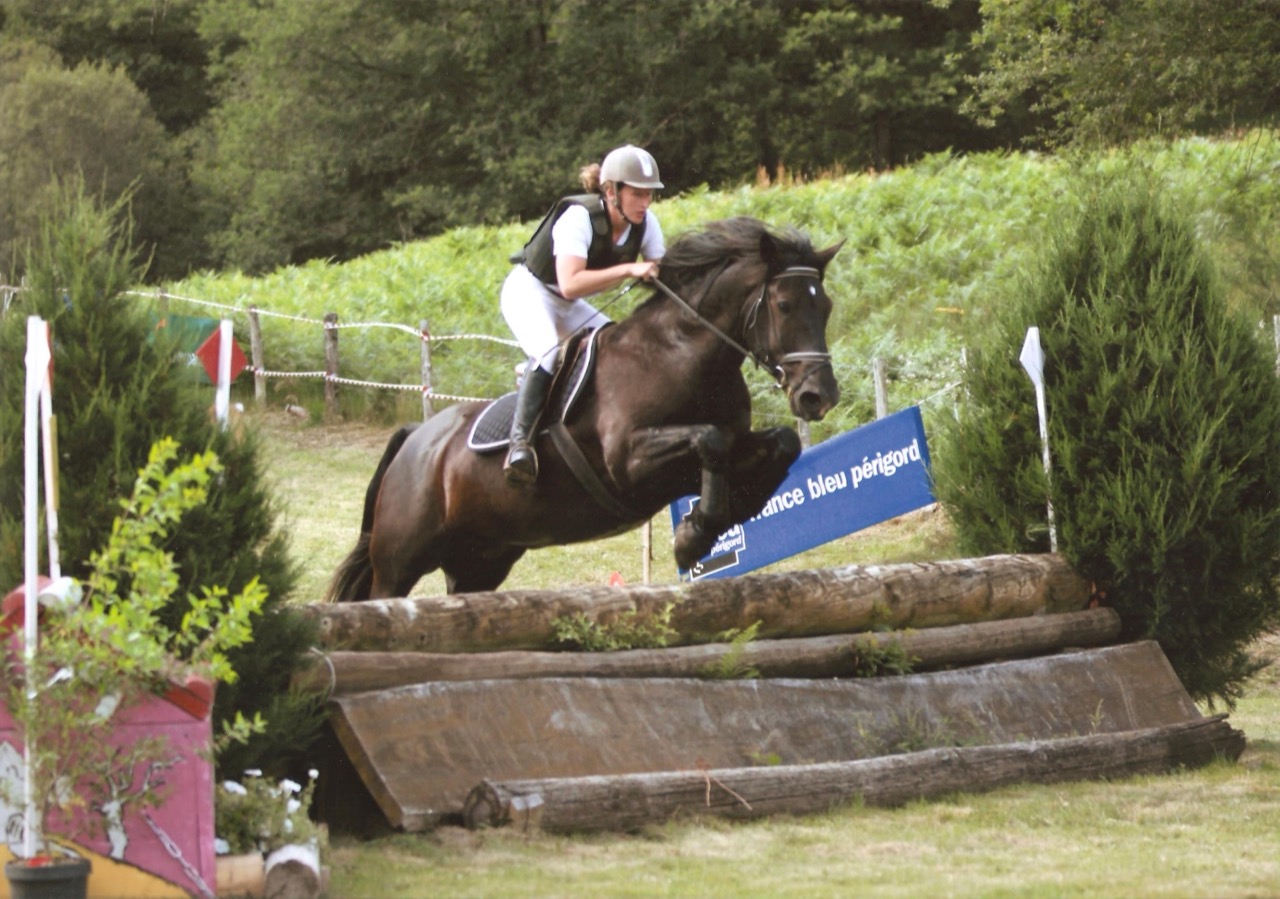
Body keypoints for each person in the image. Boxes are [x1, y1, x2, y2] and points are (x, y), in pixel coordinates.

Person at [499, 144, 666, 487]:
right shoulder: (579, 217)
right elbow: (571, 283)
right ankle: (520, 446)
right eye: (636, 194)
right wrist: (630, 269)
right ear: (611, 191)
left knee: (619, 346)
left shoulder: (647, 225)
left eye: (649, 194)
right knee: (546, 351)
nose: (644, 203)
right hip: (530, 292)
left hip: (568, 303)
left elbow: (664, 275)